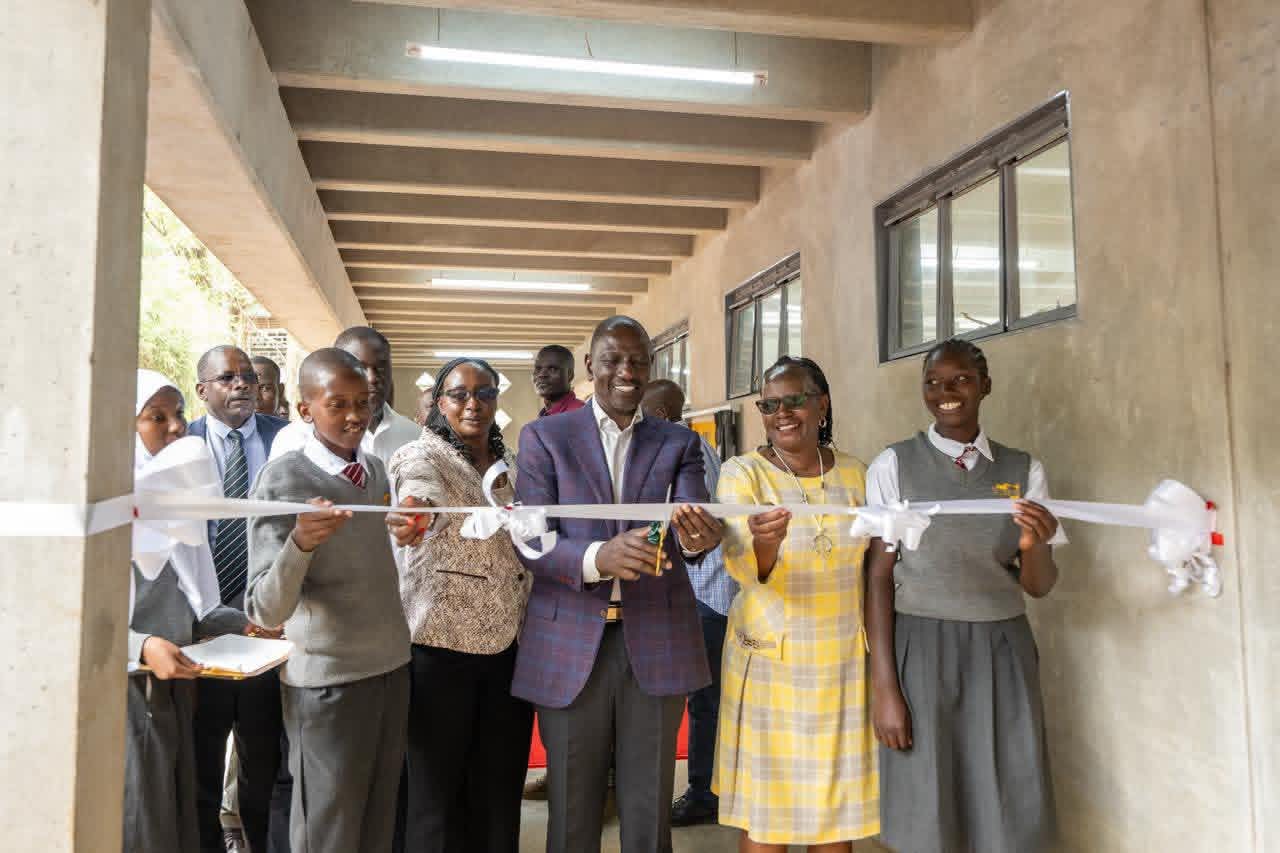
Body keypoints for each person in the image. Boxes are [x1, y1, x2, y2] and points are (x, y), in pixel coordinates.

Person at [513, 315, 723, 853]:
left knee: (648, 814)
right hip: (568, 643)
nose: (627, 372)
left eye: (638, 361)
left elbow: (692, 525)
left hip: (655, 638)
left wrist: (700, 537)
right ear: (590, 366)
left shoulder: (678, 441)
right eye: (613, 359)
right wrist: (596, 557)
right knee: (572, 814)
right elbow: (531, 541)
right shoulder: (543, 437)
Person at [865, 338, 1064, 853]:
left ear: (985, 386)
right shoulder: (894, 465)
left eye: (960, 380)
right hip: (921, 649)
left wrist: (1032, 543)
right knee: (927, 805)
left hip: (1002, 650)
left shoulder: (1023, 470)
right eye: (933, 382)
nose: (945, 393)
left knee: (1007, 799)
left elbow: (1039, 585)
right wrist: (885, 686)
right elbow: (879, 577)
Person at [245, 347, 423, 853]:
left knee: (376, 821)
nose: (353, 416)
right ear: (305, 410)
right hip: (327, 681)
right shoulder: (283, 479)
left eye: (363, 403)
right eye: (337, 404)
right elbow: (264, 608)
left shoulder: (374, 469)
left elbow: (376, 562)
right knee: (328, 829)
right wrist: (301, 542)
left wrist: (406, 535)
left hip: (390, 666)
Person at [713, 356, 879, 852]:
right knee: (768, 820)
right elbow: (744, 567)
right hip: (771, 667)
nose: (782, 413)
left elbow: (879, 568)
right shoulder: (742, 475)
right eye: (770, 404)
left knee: (835, 816)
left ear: (821, 404)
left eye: (795, 400)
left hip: (842, 667)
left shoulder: (858, 474)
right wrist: (767, 544)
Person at [388, 357, 534, 852]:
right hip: (440, 648)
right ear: (439, 403)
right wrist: (416, 513)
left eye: (485, 393)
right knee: (435, 795)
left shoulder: (508, 462)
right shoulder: (419, 454)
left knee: (498, 790)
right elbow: (417, 491)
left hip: (509, 648)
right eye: (459, 394)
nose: (474, 403)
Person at [124, 370, 252, 853]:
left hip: (173, 690)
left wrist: (242, 624)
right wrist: (141, 645)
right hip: (125, 696)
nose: (177, 427)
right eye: (157, 417)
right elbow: (65, 621)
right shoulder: (102, 512)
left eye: (178, 415)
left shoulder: (170, 505)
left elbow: (193, 603)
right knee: (139, 822)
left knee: (174, 817)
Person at [187, 345, 290, 853]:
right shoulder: (179, 445)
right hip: (197, 631)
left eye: (247, 376)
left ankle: (260, 843)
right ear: (202, 389)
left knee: (262, 759)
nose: (242, 385)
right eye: (227, 377)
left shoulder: (286, 440)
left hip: (266, 629)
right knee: (201, 757)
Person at [640, 380, 738, 828]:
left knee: (705, 700)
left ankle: (705, 792)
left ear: (659, 412)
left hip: (707, 594)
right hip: (688, 592)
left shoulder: (691, 448)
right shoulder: (671, 446)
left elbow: (691, 521)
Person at [270, 327, 419, 470]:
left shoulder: (414, 436)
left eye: (380, 368)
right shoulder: (292, 440)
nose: (372, 378)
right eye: (359, 368)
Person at [532, 344, 586, 416]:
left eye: (552, 369)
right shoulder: (544, 414)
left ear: (570, 375)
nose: (542, 375)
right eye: (538, 368)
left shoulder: (580, 414)